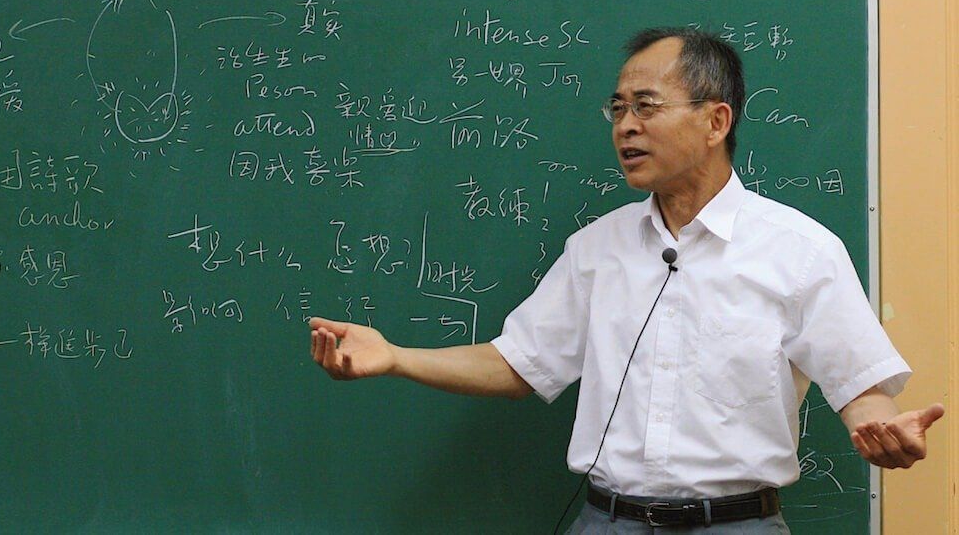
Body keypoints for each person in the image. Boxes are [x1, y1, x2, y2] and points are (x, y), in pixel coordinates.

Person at [308, 28, 944, 533]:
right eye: (617, 109)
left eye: (646, 107)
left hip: (736, 525)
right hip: (605, 520)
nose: (625, 127)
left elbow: (859, 385)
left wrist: (884, 431)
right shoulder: (598, 248)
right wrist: (395, 357)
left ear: (716, 121)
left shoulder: (800, 249)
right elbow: (519, 364)